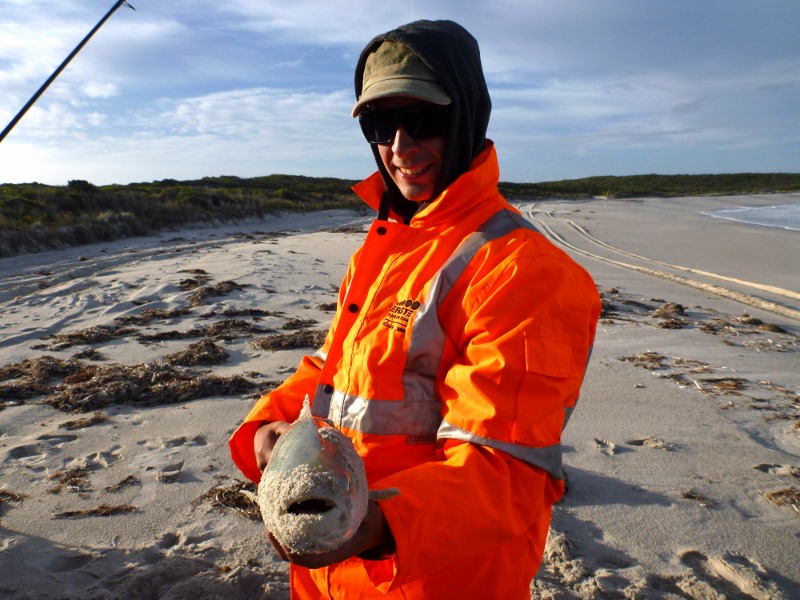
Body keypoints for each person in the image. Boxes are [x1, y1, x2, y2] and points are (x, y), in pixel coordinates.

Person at [229, 19, 601, 599]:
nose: (400, 147)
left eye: (423, 119)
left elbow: (510, 470)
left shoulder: (523, 270)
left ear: (467, 116)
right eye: (380, 124)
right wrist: (266, 429)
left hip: (436, 579)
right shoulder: (383, 249)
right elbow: (333, 371)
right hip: (332, 573)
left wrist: (381, 527)